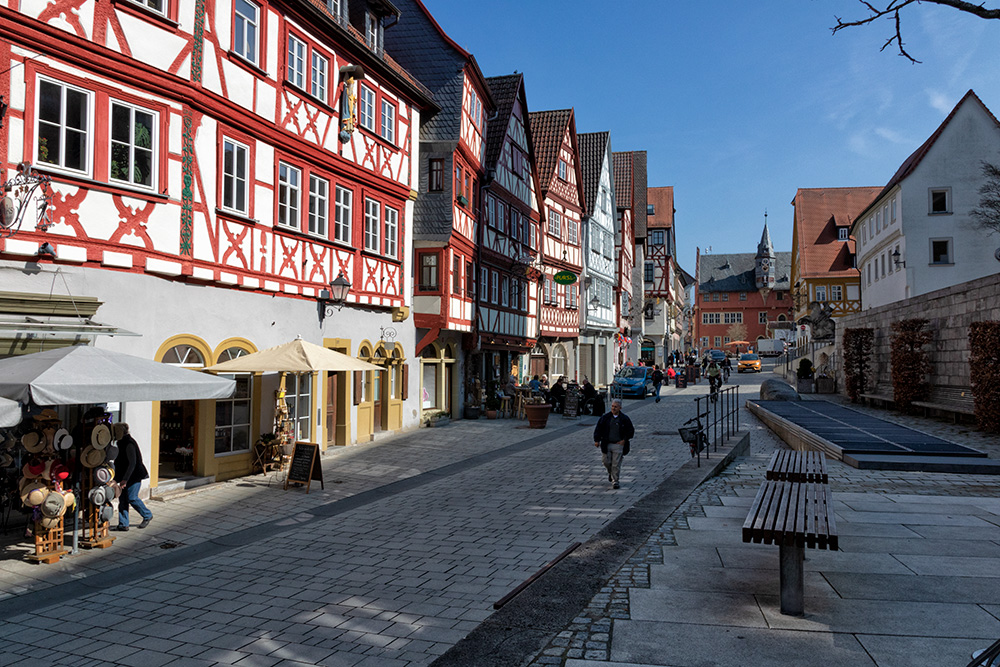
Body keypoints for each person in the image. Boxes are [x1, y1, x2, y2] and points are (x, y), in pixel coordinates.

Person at [113, 423, 153, 531]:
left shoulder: (129, 443)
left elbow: (132, 463)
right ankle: (123, 524)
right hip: (125, 475)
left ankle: (147, 515)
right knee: (123, 499)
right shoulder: (121, 442)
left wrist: (125, 479)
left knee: (132, 498)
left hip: (134, 476)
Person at [593, 399, 635, 489]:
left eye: (616, 407)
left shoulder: (624, 419)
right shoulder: (605, 418)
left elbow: (630, 431)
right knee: (606, 461)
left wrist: (624, 440)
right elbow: (598, 429)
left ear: (620, 408)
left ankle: (615, 481)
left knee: (616, 463)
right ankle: (611, 473)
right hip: (606, 443)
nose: (613, 408)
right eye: (612, 406)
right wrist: (597, 440)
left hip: (618, 444)